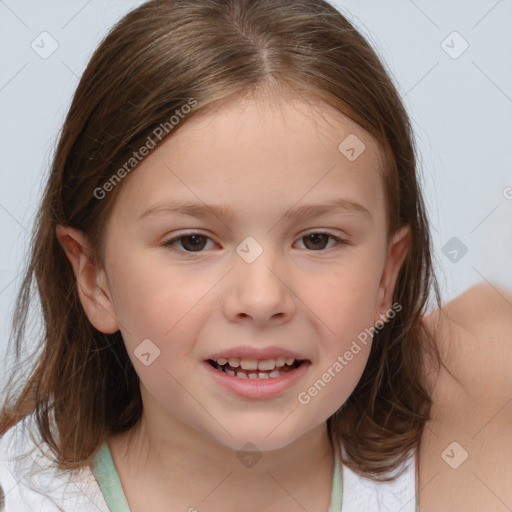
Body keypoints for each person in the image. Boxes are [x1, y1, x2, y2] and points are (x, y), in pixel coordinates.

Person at [0, 0, 511, 511]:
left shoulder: (463, 448)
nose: (262, 298)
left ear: (386, 277)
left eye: (317, 240)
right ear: (95, 280)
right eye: (193, 241)